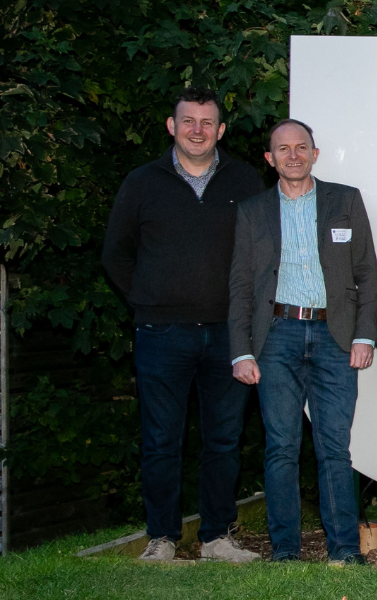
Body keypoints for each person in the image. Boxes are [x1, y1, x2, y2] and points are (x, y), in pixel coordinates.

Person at [102, 87, 265, 563]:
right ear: (172, 127)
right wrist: (148, 299)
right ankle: (162, 538)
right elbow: (115, 253)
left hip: (229, 334)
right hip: (161, 333)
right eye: (188, 121)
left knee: (223, 439)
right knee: (160, 440)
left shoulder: (245, 179)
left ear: (221, 130)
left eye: (207, 122)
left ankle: (216, 536)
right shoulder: (142, 181)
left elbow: (262, 254)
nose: (198, 130)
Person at [228, 118, 377, 564]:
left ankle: (344, 549)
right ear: (269, 158)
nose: (293, 155)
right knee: (281, 446)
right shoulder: (252, 211)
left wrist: (363, 335)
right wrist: (241, 349)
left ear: (315, 154)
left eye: (301, 147)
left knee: (335, 446)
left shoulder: (345, 201)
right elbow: (240, 286)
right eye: (283, 148)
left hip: (335, 337)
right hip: (275, 337)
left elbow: (367, 275)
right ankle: (285, 550)